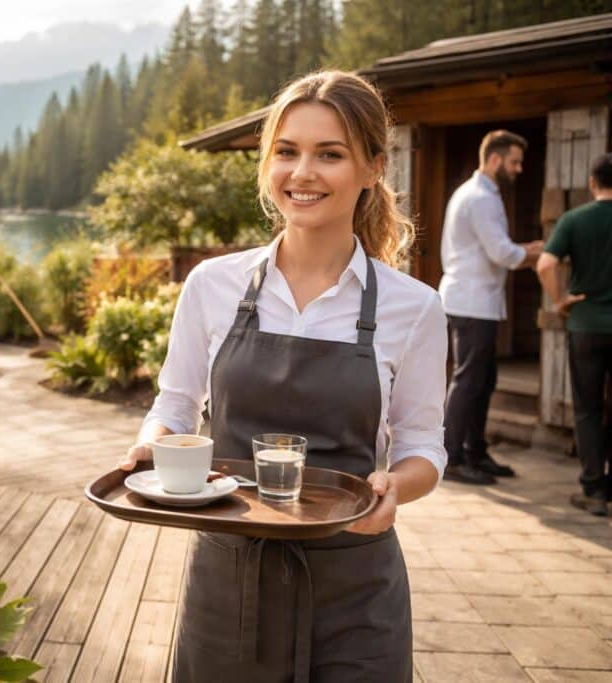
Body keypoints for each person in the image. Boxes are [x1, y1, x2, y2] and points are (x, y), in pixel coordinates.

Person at [120, 71, 447, 682]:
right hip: (228, 576)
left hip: (356, 585)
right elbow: (175, 404)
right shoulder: (211, 286)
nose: (303, 173)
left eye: (331, 154)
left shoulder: (415, 308)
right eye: (287, 152)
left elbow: (424, 445)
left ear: (374, 167)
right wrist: (155, 442)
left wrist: (396, 485)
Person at [438, 130, 544, 485]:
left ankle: (476, 452)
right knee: (469, 380)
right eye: (515, 161)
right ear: (495, 159)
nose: (519, 168)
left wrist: (523, 250)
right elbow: (503, 253)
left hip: (479, 301)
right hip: (471, 301)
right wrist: (539, 252)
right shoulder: (480, 198)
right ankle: (451, 457)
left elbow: (498, 250)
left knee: (484, 380)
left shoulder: (482, 194)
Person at [537, 153, 612, 516]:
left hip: (586, 326)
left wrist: (561, 300)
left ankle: (594, 489)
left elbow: (546, 263)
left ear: (593, 183)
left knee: (587, 408)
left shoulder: (575, 219)